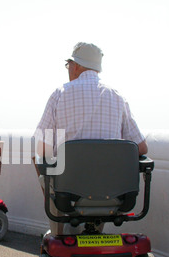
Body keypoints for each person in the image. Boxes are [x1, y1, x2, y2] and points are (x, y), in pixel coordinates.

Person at [34, 42, 148, 235]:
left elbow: (41, 149)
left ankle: (58, 234)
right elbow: (141, 148)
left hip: (68, 190)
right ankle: (93, 231)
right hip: (113, 192)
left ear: (76, 65)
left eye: (68, 64)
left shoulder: (59, 94)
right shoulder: (117, 97)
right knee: (103, 180)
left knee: (44, 169)